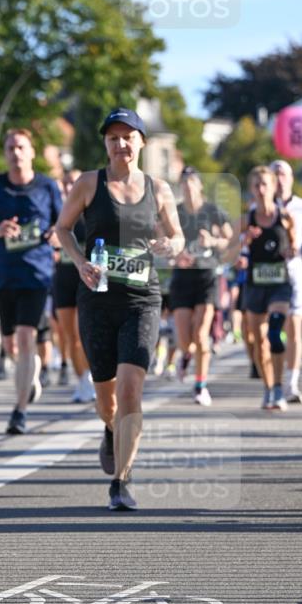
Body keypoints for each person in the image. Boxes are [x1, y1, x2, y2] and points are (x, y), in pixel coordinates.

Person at [55, 107, 183, 511]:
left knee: (131, 388)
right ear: (105, 144)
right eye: (113, 138)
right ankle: (111, 429)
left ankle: (122, 479)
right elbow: (62, 229)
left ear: (142, 142)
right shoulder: (90, 183)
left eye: (129, 137)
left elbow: (178, 236)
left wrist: (170, 245)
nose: (121, 144)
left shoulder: (159, 189)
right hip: (97, 299)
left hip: (142, 299)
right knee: (106, 399)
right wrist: (79, 261)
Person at [0, 128, 62, 435]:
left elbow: (61, 224)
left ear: (32, 152)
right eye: (11, 147)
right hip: (1, 274)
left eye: (21, 147)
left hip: (36, 274)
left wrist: (55, 236)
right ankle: (30, 376)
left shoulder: (47, 187)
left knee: (27, 338)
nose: (16, 153)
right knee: (11, 344)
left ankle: (20, 410)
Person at [169, 167, 233, 405]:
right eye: (183, 183)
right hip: (182, 278)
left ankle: (200, 386)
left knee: (201, 334)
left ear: (200, 186)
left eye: (191, 182)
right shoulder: (174, 213)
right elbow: (161, 240)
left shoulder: (212, 211)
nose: (187, 187)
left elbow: (230, 239)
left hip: (207, 276)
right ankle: (185, 355)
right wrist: (175, 256)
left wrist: (214, 240)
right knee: (186, 340)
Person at [240, 166, 296, 411]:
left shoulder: (284, 217)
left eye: (265, 184)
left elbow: (294, 245)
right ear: (252, 190)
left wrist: (291, 250)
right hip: (255, 285)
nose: (261, 190)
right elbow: (233, 251)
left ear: (274, 187)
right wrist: (245, 244)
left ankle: (279, 388)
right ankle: (267, 386)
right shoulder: (246, 219)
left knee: (274, 331)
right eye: (257, 185)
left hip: (279, 284)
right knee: (258, 342)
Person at [270, 159, 302, 403]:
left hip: (294, 270)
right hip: (267, 275)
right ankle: (272, 382)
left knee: (294, 328)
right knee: (270, 330)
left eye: (283, 174)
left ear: (291, 178)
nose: (279, 178)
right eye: (274, 173)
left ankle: (291, 383)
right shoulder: (260, 207)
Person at [53, 168, 96, 402]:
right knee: (68, 335)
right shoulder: (57, 212)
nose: (70, 187)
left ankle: (91, 377)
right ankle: (81, 380)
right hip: (63, 277)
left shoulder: (91, 211)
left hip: (86, 277)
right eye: (66, 183)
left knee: (84, 333)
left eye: (74, 183)